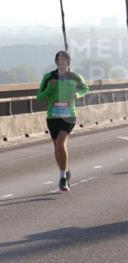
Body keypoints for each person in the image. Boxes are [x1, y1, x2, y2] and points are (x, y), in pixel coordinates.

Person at [36, 50, 89, 192]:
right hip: (52, 116)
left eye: (64, 59)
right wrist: (49, 87)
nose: (61, 61)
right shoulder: (49, 77)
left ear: (68, 62)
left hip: (69, 115)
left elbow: (85, 88)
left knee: (60, 143)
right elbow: (40, 97)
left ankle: (62, 178)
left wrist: (77, 94)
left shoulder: (74, 77)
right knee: (57, 148)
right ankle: (65, 170)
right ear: (56, 62)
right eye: (58, 59)